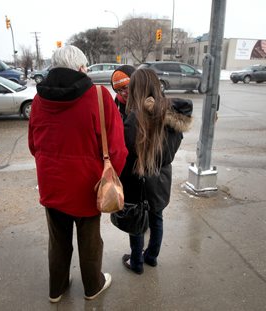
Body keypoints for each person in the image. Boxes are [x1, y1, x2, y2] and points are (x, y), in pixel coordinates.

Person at [28, 45, 128, 302]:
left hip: (52, 183)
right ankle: (92, 286)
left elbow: (33, 144)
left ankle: (57, 289)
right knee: (90, 241)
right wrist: (110, 176)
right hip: (89, 185)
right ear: (82, 68)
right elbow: (117, 149)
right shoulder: (99, 96)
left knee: (58, 241)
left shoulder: (39, 99)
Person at [119, 68, 193, 274]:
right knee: (156, 217)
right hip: (161, 178)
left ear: (136, 89)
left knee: (137, 221)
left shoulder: (135, 118)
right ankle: (151, 257)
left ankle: (136, 262)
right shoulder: (172, 116)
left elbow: (127, 152)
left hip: (138, 180)